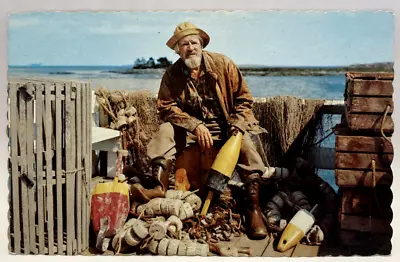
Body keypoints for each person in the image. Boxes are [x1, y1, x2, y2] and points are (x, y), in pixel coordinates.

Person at [127, 22, 268, 239]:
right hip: (191, 131)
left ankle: (254, 209)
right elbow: (166, 107)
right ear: (178, 50)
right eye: (184, 44)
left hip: (226, 127)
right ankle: (158, 188)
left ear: (201, 45)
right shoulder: (172, 75)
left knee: (247, 146)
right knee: (165, 131)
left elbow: (244, 99)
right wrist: (195, 125)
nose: (190, 47)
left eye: (194, 42)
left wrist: (236, 124)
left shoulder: (223, 64)